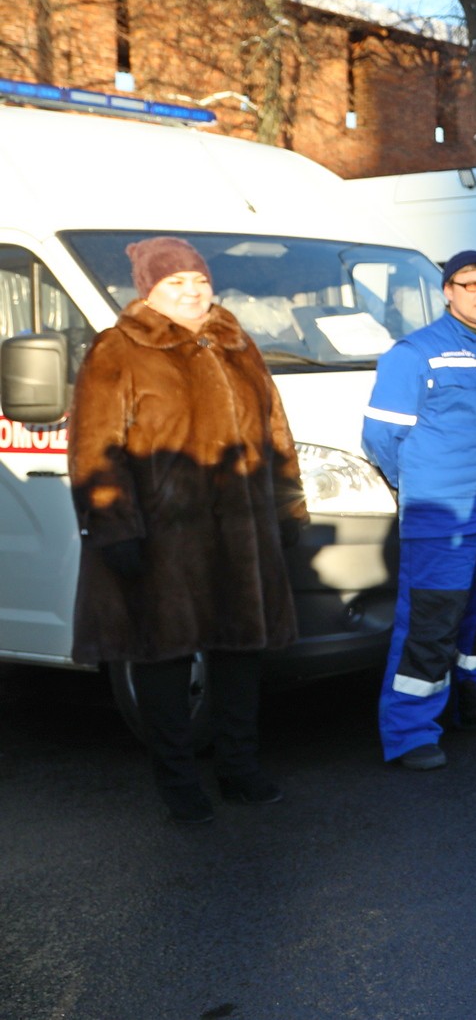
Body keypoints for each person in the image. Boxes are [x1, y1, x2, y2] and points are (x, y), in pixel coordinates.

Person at [67, 237, 307, 823]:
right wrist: (114, 524)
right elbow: (96, 444)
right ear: (148, 291)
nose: (192, 291)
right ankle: (176, 780)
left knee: (239, 653)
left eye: (198, 280)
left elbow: (276, 433)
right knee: (165, 658)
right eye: (175, 283)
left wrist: (288, 509)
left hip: (242, 534)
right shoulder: (117, 349)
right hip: (161, 536)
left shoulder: (237, 343)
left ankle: (239, 769)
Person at [363, 250, 476, 769]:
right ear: (447, 291)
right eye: (471, 284)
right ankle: (411, 732)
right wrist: (418, 485)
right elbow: (380, 437)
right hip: (440, 515)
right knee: (430, 622)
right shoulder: (414, 353)